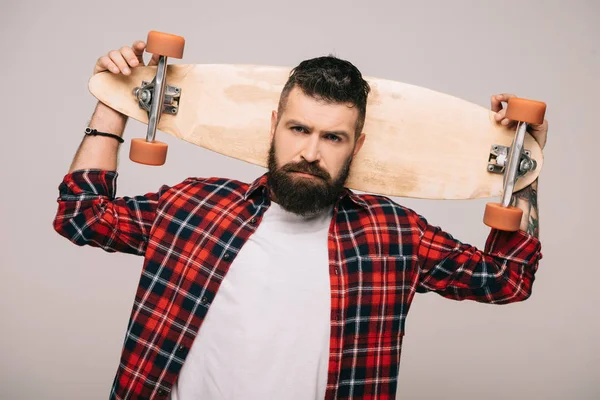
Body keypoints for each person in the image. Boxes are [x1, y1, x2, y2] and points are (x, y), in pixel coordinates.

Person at [53, 39, 546, 400]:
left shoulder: (392, 235)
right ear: (273, 126)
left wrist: (525, 162)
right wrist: (113, 100)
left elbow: (509, 278)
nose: (310, 153)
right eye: (298, 128)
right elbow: (81, 215)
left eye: (333, 138)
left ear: (359, 146)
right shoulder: (195, 208)